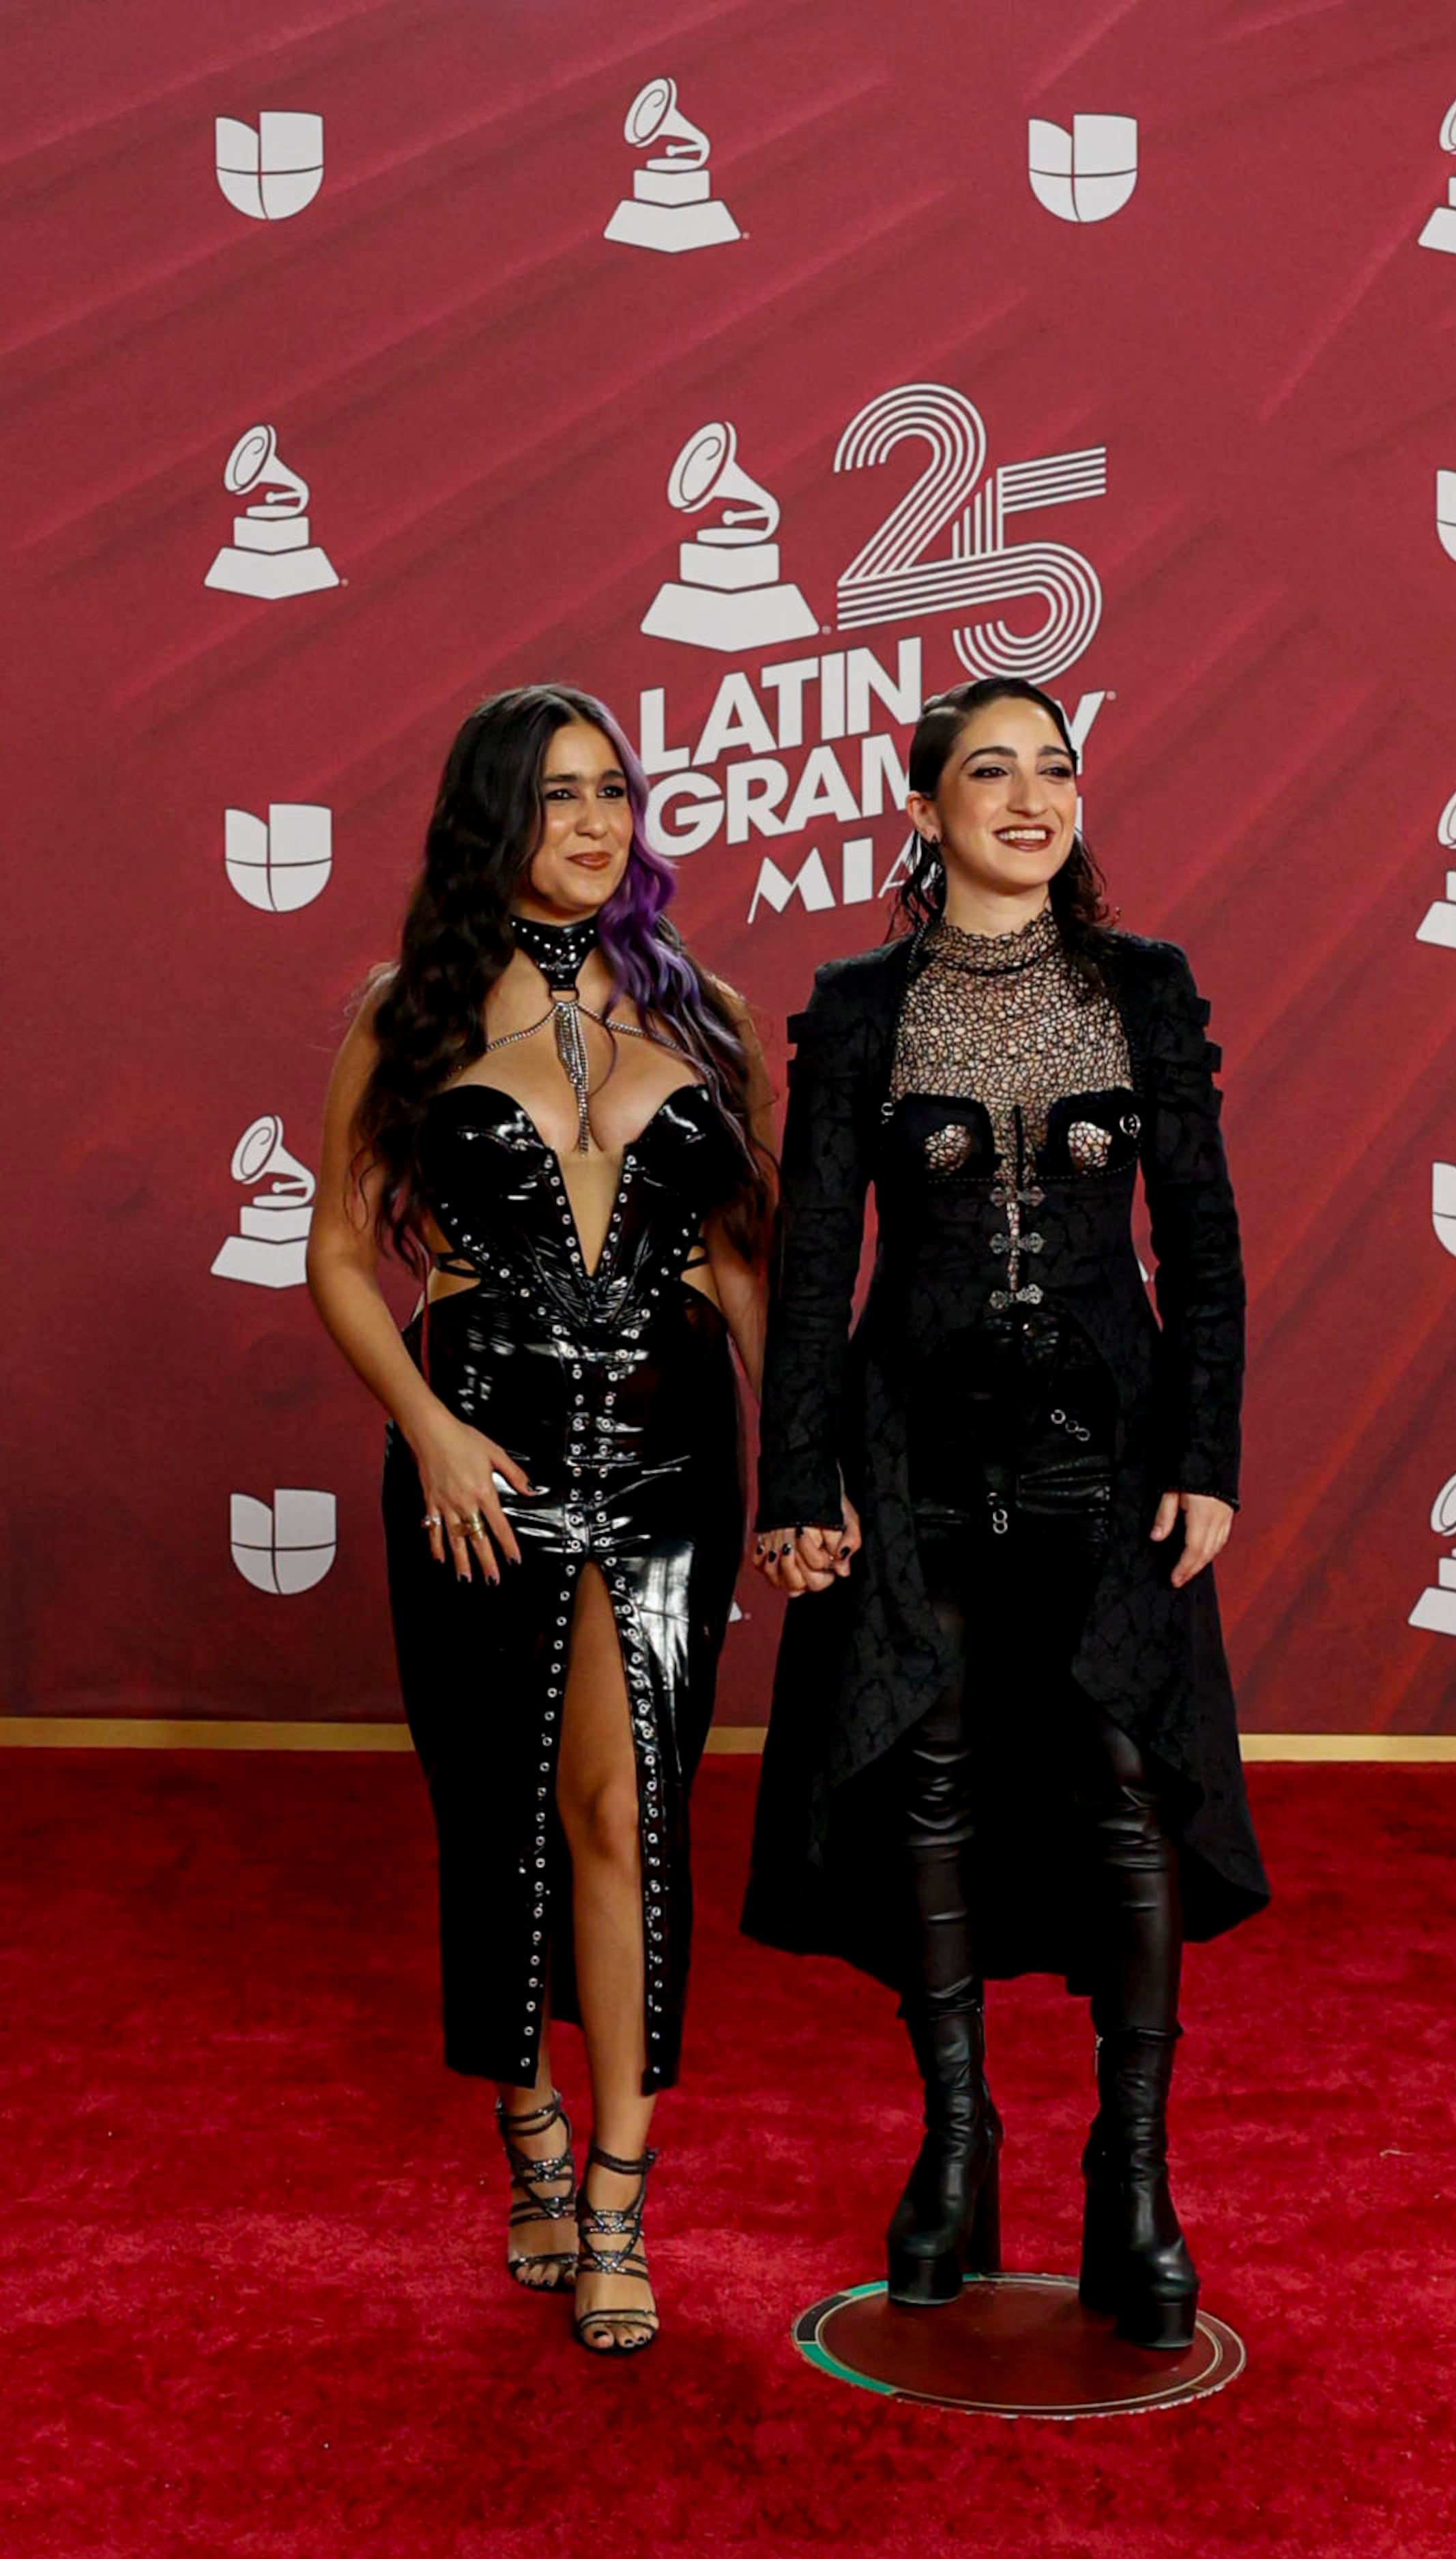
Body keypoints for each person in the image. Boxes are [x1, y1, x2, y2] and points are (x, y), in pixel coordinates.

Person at [743, 675, 1268, 2351]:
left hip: (1110, 1453)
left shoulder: (1142, 986)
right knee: (930, 1770)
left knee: (1124, 1779)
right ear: (922, 810)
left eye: (1055, 768)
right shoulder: (858, 1005)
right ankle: (954, 2145)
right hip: (910, 1448)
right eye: (990, 771)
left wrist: (1205, 1455)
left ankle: (1134, 2179)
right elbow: (813, 1264)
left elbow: (1202, 1244)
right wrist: (796, 1478)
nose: (1032, 797)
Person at [308, 684, 771, 2355]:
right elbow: (337, 1254)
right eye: (558, 795)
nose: (593, 825)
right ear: (489, 819)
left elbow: (743, 1269)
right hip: (482, 1459)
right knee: (497, 1808)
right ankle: (528, 2137)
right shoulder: (409, 1013)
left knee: (626, 1812)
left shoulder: (705, 1010)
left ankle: (620, 2203)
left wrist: (805, 1472)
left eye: (612, 793)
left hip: (669, 1456)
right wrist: (427, 1429)